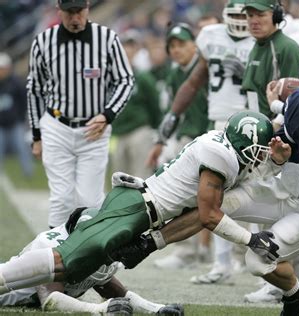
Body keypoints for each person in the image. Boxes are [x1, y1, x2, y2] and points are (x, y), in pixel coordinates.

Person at [112, 83, 299, 316]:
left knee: (257, 261)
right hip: (283, 188)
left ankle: (295, 293)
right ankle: (148, 243)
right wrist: (278, 159)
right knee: (213, 205)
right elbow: (275, 150)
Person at [0, 111, 280, 313]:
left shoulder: (224, 152)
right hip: (136, 208)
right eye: (260, 149)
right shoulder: (222, 157)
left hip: (140, 211)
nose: (261, 155)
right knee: (65, 259)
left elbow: (200, 216)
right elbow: (208, 215)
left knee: (80, 259)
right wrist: (250, 240)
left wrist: (155, 305)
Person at [148, 0, 256, 282]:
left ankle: (257, 264)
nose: (242, 21)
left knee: (257, 197)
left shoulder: (264, 39)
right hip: (218, 126)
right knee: (215, 199)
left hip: (251, 127)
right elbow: (194, 81)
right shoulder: (212, 36)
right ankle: (221, 263)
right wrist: (173, 115)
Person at [27, 0, 134, 228]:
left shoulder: (106, 38)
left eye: (79, 11)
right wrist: (37, 135)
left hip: (94, 129)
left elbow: (125, 80)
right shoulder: (44, 41)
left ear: (88, 9)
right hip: (56, 125)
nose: (75, 18)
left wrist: (108, 115)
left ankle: (91, 258)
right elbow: (34, 89)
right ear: (59, 10)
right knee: (61, 199)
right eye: (69, 12)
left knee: (89, 200)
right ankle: (54, 254)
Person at [0, 207, 183, 315]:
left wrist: (156, 309)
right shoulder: (50, 245)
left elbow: (119, 293)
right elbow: (49, 300)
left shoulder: (99, 247)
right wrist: (99, 309)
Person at [146, 23, 209, 168]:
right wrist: (161, 141)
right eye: (172, 46)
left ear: (195, 44)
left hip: (211, 133)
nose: (176, 50)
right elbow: (172, 113)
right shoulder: (174, 75)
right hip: (187, 136)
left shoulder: (206, 66)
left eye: (181, 44)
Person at [111, 31, 162, 179]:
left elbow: (155, 105)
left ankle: (142, 202)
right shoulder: (110, 78)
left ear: (136, 51)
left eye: (131, 47)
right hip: (117, 133)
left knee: (140, 176)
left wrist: (154, 129)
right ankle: (120, 202)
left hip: (139, 131)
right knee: (118, 176)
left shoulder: (143, 77)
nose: (128, 50)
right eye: (125, 46)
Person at [241, 0, 299, 118]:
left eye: (261, 15)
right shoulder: (257, 45)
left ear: (276, 16)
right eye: (250, 15)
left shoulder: (287, 48)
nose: (254, 21)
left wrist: (277, 125)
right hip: (254, 122)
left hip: (273, 129)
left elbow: (297, 98)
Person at [0, 52, 33, 178]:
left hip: (15, 123)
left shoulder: (16, 83)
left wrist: (20, 117)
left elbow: (24, 101)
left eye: (3, 68)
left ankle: (28, 172)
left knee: (22, 147)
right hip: (1, 124)